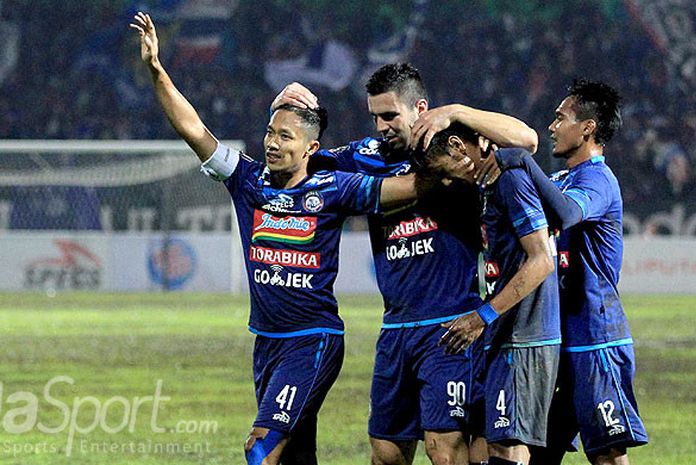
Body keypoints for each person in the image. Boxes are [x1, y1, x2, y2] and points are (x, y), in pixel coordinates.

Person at [130, 13, 417, 465]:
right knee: (294, 456)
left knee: (261, 446)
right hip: (266, 341)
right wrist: (156, 69)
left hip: (313, 339)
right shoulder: (248, 181)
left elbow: (403, 189)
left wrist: (453, 170)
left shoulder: (333, 188)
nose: (272, 142)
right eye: (269, 132)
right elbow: (192, 129)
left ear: (310, 149)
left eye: (285, 136)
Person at [272, 64, 538, 465]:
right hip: (395, 327)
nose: (381, 126)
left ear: (421, 109)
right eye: (375, 117)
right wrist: (293, 116)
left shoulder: (455, 144)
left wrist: (458, 112)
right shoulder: (366, 157)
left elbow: (527, 140)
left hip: (450, 324)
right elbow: (305, 159)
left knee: (444, 450)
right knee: (386, 453)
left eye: (390, 115)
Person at [516, 79, 648, 465]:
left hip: (595, 337)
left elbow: (567, 213)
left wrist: (524, 163)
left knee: (606, 453)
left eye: (561, 118)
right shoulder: (560, 179)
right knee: (539, 452)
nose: (552, 126)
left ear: (587, 128)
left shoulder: (597, 179)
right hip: (557, 339)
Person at [416, 122, 560, 465]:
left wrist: (483, 316)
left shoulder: (510, 180)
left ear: (457, 146)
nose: (448, 182)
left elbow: (542, 261)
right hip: (508, 332)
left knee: (508, 451)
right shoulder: (487, 188)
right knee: (498, 449)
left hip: (526, 336)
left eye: (444, 172)